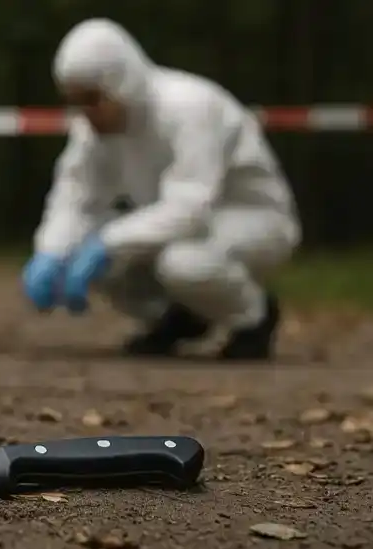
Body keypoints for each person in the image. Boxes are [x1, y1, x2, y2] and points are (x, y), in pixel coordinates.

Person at [22, 18, 301, 360]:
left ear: (120, 82)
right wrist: (51, 252)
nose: (85, 112)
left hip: (254, 220)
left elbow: (189, 207)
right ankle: (179, 318)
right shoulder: (93, 131)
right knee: (88, 250)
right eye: (75, 101)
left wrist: (106, 244)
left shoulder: (189, 107)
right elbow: (75, 196)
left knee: (182, 263)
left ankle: (253, 317)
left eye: (92, 99)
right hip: (179, 226)